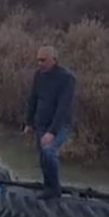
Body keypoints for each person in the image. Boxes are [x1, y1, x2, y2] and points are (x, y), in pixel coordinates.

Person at [22, 46, 76, 199]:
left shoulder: (66, 78)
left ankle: (54, 189)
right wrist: (29, 123)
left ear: (54, 60)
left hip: (59, 125)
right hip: (41, 123)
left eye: (43, 60)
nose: (40, 63)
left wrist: (52, 132)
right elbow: (33, 99)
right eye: (38, 60)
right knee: (43, 157)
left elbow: (63, 107)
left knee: (49, 152)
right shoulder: (38, 75)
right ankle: (48, 187)